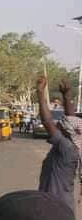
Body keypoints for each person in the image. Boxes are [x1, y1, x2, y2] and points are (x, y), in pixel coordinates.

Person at [36, 76, 79, 211]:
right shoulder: (72, 144)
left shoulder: (66, 147)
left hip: (55, 208)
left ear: (67, 132)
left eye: (60, 125)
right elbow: (71, 120)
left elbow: (47, 121)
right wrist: (65, 95)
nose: (58, 125)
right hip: (59, 205)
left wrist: (40, 92)